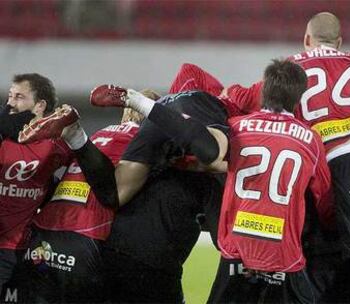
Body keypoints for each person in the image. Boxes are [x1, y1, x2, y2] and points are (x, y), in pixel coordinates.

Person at [79, 59, 334, 303]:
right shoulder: (303, 137)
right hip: (280, 251)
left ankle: (77, 138)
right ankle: (141, 103)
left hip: (164, 122)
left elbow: (191, 73)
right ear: (298, 97)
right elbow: (322, 197)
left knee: (115, 194)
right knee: (214, 158)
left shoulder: (236, 118)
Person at [218, 12, 350, 303]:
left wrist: (226, 92)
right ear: (340, 42)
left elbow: (244, 98)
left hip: (343, 168)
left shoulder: (291, 71)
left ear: (306, 39)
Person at [17, 98, 150, 303]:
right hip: (84, 236)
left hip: (42, 233)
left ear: (125, 114)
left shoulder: (98, 135)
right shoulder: (141, 140)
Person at [0, 74, 74, 302]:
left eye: (19, 97)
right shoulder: (3, 137)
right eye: (10, 96)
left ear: (40, 106)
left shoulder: (57, 146)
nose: (10, 103)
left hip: (21, 251)